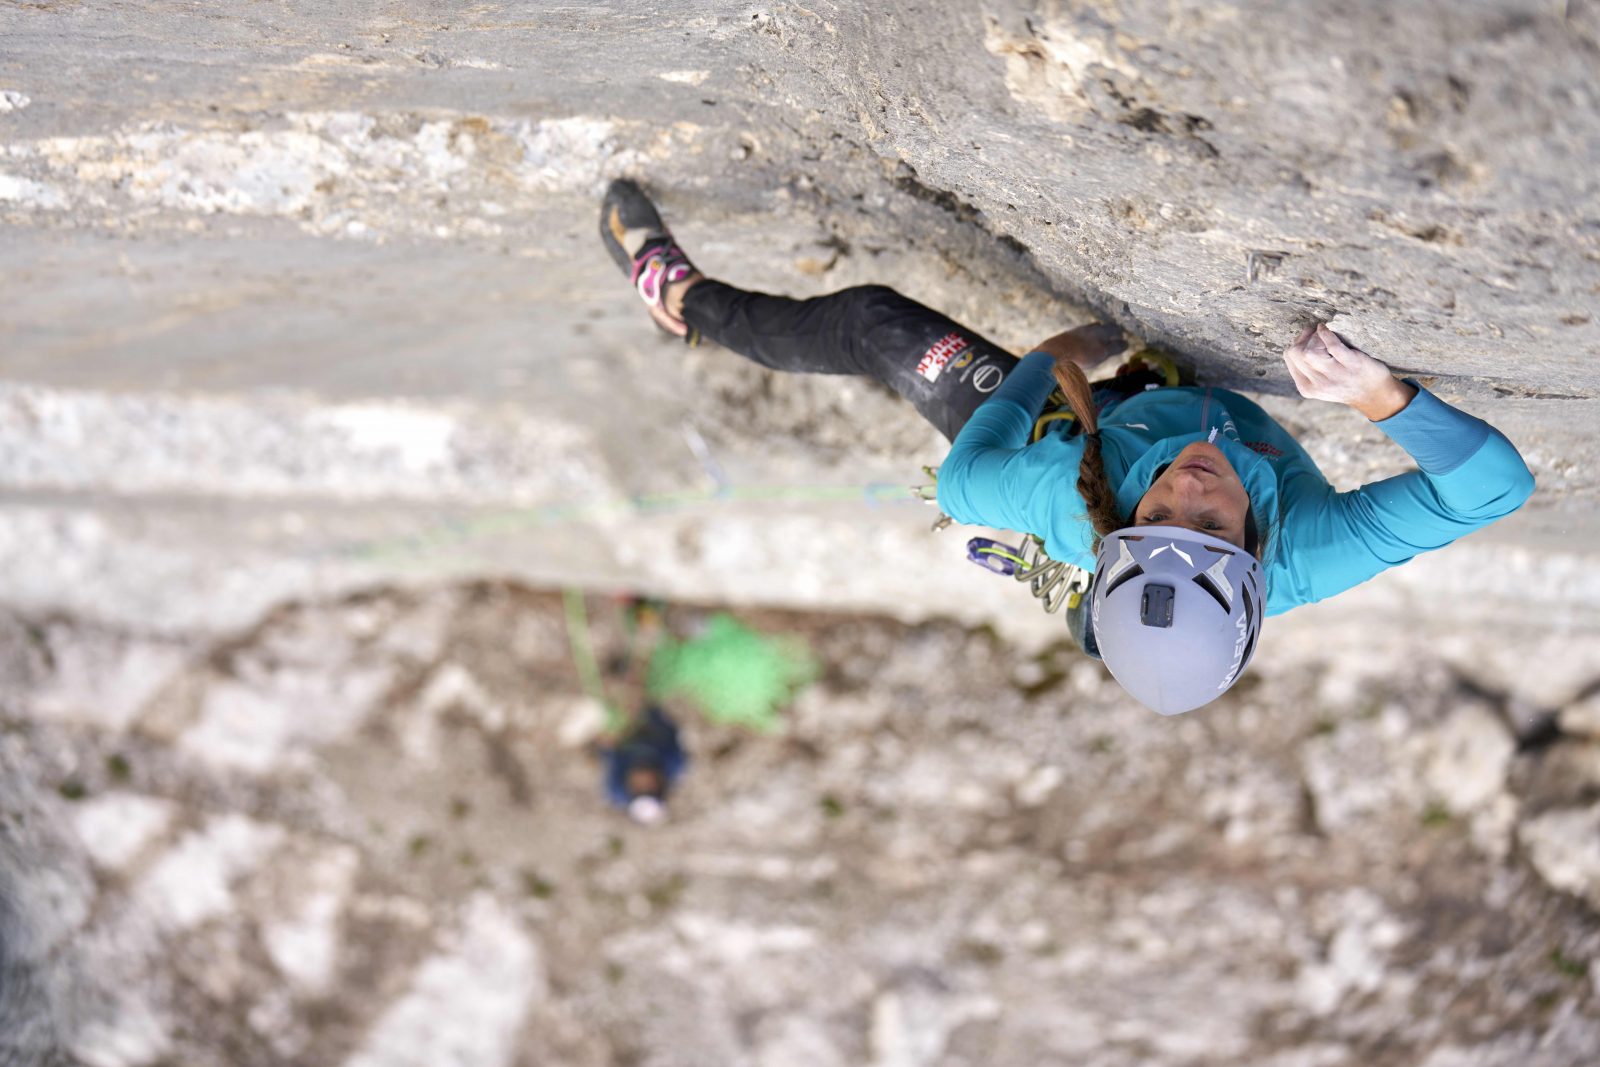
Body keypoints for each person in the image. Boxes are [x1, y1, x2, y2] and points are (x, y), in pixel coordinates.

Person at [599, 180, 1536, 715]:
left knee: (876, 327)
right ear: (1253, 557)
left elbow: (965, 482)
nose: (1186, 488)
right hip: (1130, 427)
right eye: (1207, 522)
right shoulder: (1308, 552)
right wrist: (1382, 397)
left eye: (1159, 514)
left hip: (1084, 420)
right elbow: (1492, 489)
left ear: (1119, 532)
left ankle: (680, 300)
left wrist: (1053, 364)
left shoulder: (1072, 500)